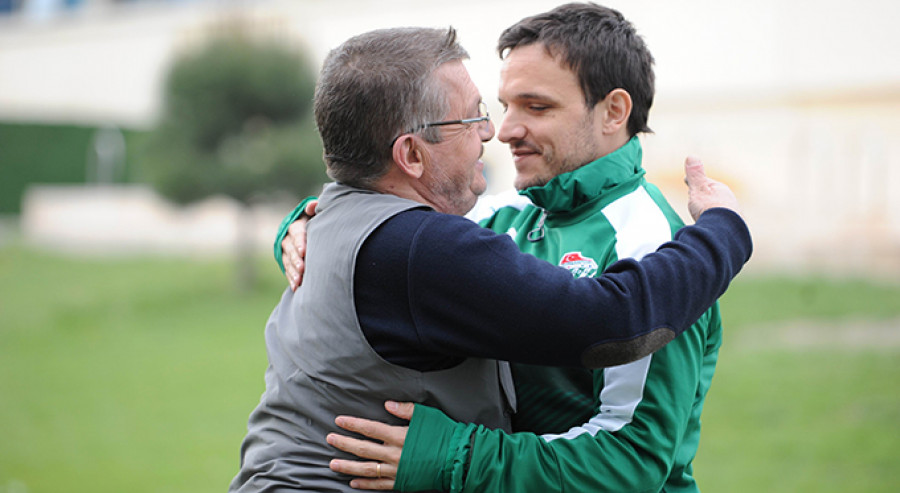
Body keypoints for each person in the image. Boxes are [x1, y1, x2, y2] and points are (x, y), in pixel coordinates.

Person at [278, 3, 745, 492]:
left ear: (614, 112)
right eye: (504, 106)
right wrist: (308, 225)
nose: (503, 131)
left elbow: (632, 459)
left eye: (536, 107)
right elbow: (383, 248)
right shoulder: (494, 216)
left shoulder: (659, 253)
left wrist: (455, 459)